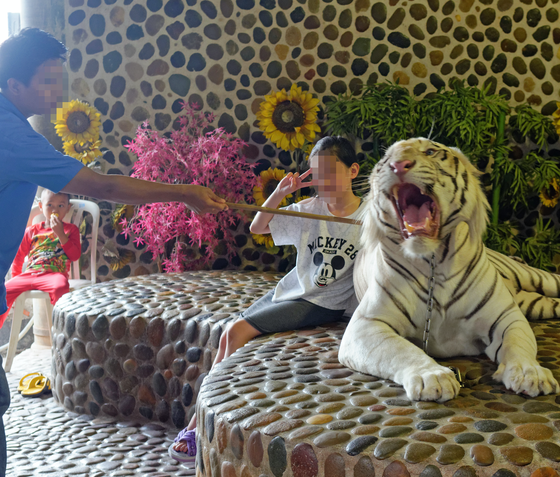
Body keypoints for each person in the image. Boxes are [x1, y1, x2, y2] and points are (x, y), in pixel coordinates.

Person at [0, 28, 227, 476]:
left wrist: (46, 185)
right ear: (14, 86)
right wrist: (184, 194)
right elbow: (101, 185)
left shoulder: (13, 126)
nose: (59, 89)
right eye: (48, 78)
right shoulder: (8, 130)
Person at [169, 136, 364, 464]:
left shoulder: (369, 215)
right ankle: (200, 424)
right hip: (290, 289)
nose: (323, 182)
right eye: (316, 175)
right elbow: (258, 225)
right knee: (230, 334)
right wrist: (282, 193)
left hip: (322, 302)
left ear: (352, 171)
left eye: (331, 172)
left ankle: (194, 429)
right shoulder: (309, 209)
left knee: (237, 332)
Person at [0, 190, 81, 328]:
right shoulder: (31, 231)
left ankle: (61, 330)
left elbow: (75, 256)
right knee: (4, 290)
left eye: (60, 206)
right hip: (29, 275)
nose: (55, 210)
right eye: (50, 205)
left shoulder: (70, 230)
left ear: (68, 208)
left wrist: (61, 235)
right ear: (41, 207)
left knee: (60, 287)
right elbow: (18, 257)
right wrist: (17, 278)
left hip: (54, 274)